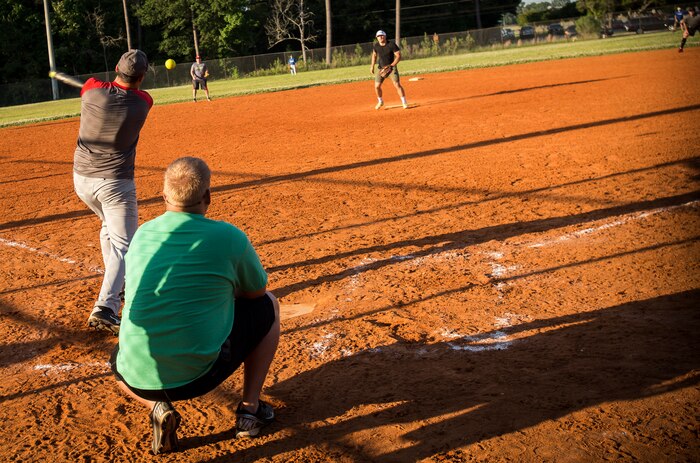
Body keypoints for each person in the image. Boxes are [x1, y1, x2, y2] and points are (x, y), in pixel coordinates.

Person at [111, 157, 280, 455]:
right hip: (199, 377)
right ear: (208, 197)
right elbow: (256, 292)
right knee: (269, 305)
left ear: (164, 197)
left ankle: (157, 406)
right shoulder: (228, 236)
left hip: (137, 379)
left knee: (119, 357)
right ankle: (249, 410)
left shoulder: (142, 235)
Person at [73, 49, 152, 335]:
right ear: (142, 76)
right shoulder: (143, 102)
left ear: (117, 67)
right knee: (124, 245)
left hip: (82, 180)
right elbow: (129, 90)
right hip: (116, 184)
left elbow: (92, 85)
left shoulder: (93, 91)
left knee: (109, 230)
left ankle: (117, 287)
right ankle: (106, 307)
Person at [370, 30, 409, 110]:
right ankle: (380, 101)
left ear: (385, 36)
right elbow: (374, 55)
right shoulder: (376, 46)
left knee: (397, 84)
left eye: (382, 35)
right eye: (378, 36)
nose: (380, 37)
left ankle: (404, 102)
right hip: (381, 68)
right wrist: (372, 66)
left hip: (392, 67)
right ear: (377, 38)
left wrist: (391, 66)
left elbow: (398, 56)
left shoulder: (391, 45)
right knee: (377, 86)